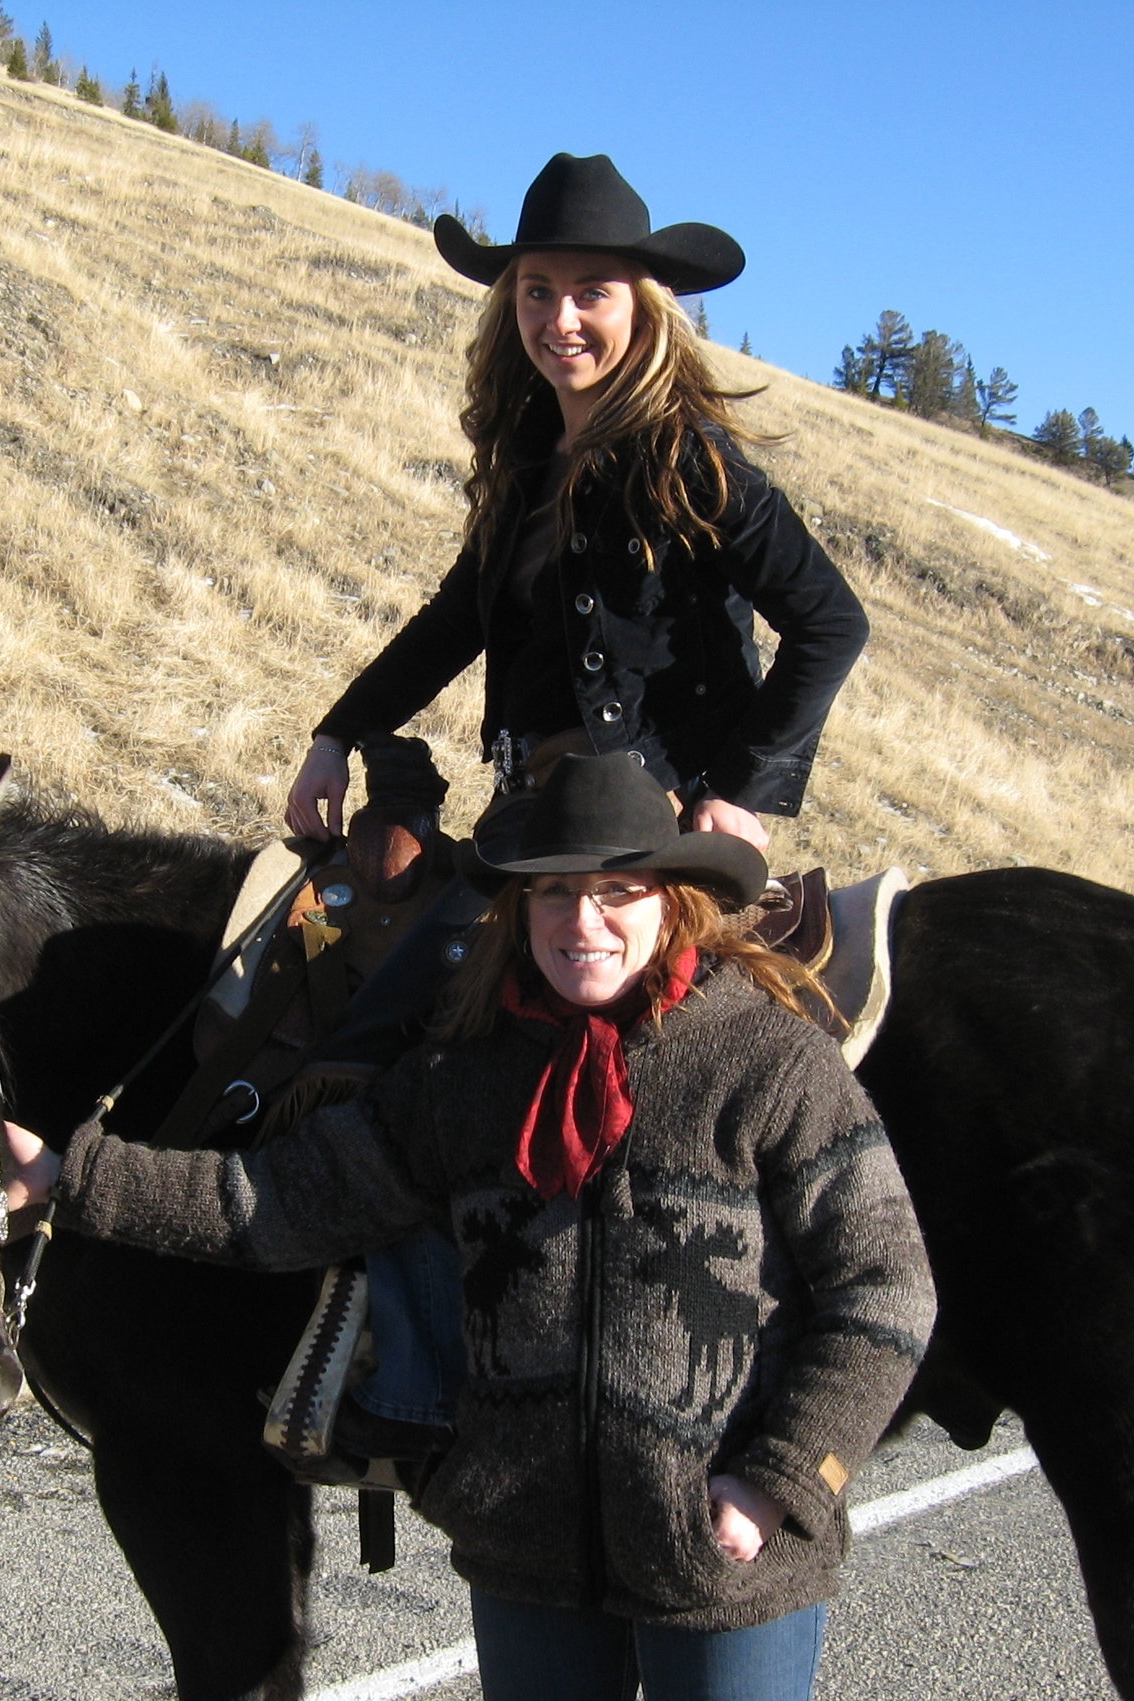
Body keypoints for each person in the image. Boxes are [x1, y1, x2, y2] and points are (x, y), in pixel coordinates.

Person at [2, 753, 934, 1701]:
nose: (581, 923)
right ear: (518, 907)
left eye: (616, 893)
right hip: (531, 1551)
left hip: (723, 1555)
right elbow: (279, 1203)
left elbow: (884, 1291)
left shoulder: (770, 1065)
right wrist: (77, 1179)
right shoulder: (467, 1076)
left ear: (672, 902)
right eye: (553, 892)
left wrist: (780, 1480)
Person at [278, 153, 876, 1453]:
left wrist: (745, 799)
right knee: (365, 998)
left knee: (410, 1038)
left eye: (591, 291)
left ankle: (420, 1387)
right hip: (539, 816)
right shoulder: (526, 458)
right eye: (537, 291)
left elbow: (831, 621)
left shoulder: (686, 454)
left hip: (647, 838)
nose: (561, 318)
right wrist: (338, 733)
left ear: (646, 301)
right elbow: (452, 624)